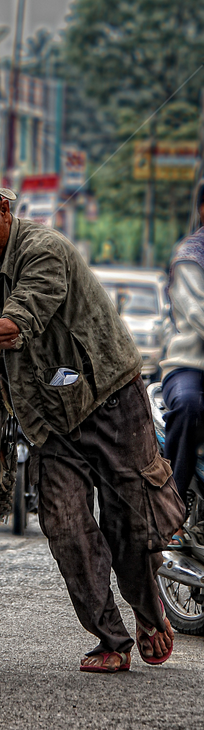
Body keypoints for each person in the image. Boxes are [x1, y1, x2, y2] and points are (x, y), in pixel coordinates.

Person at [0, 168, 185, 674]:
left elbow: (11, 331)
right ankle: (110, 638)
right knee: (66, 525)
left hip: (110, 400)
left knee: (129, 524)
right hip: (50, 417)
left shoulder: (42, 251)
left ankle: (148, 612)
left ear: (3, 210)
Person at [161, 179, 204, 519]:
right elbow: (196, 313)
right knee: (188, 407)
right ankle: (173, 505)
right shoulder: (191, 257)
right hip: (190, 364)